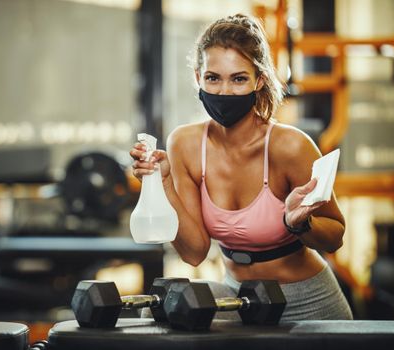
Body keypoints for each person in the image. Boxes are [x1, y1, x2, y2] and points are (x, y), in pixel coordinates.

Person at [130, 14, 352, 321]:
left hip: (307, 301)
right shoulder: (185, 144)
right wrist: (164, 183)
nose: (223, 92)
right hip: (240, 297)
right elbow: (193, 253)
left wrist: (301, 224)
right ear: (198, 77)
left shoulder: (289, 146)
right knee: (155, 315)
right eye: (213, 78)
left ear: (258, 80)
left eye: (238, 78)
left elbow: (336, 237)